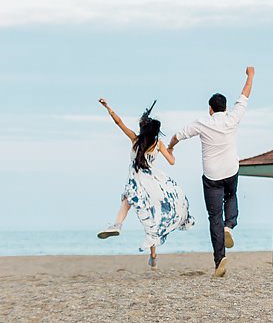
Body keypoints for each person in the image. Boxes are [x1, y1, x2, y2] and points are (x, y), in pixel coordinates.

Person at [169, 66, 253, 278]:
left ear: (210, 109)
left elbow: (179, 135)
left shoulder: (202, 123)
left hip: (212, 176)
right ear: (224, 108)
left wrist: (170, 147)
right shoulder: (233, 118)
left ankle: (219, 261)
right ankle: (230, 225)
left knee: (213, 216)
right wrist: (250, 75)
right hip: (230, 170)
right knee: (231, 195)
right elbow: (244, 95)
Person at [96, 99, 195, 267]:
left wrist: (107, 107)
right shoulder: (158, 144)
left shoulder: (135, 140)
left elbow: (119, 122)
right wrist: (171, 150)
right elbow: (171, 161)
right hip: (153, 183)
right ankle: (153, 256)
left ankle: (117, 225)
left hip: (137, 181)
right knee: (152, 217)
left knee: (126, 202)